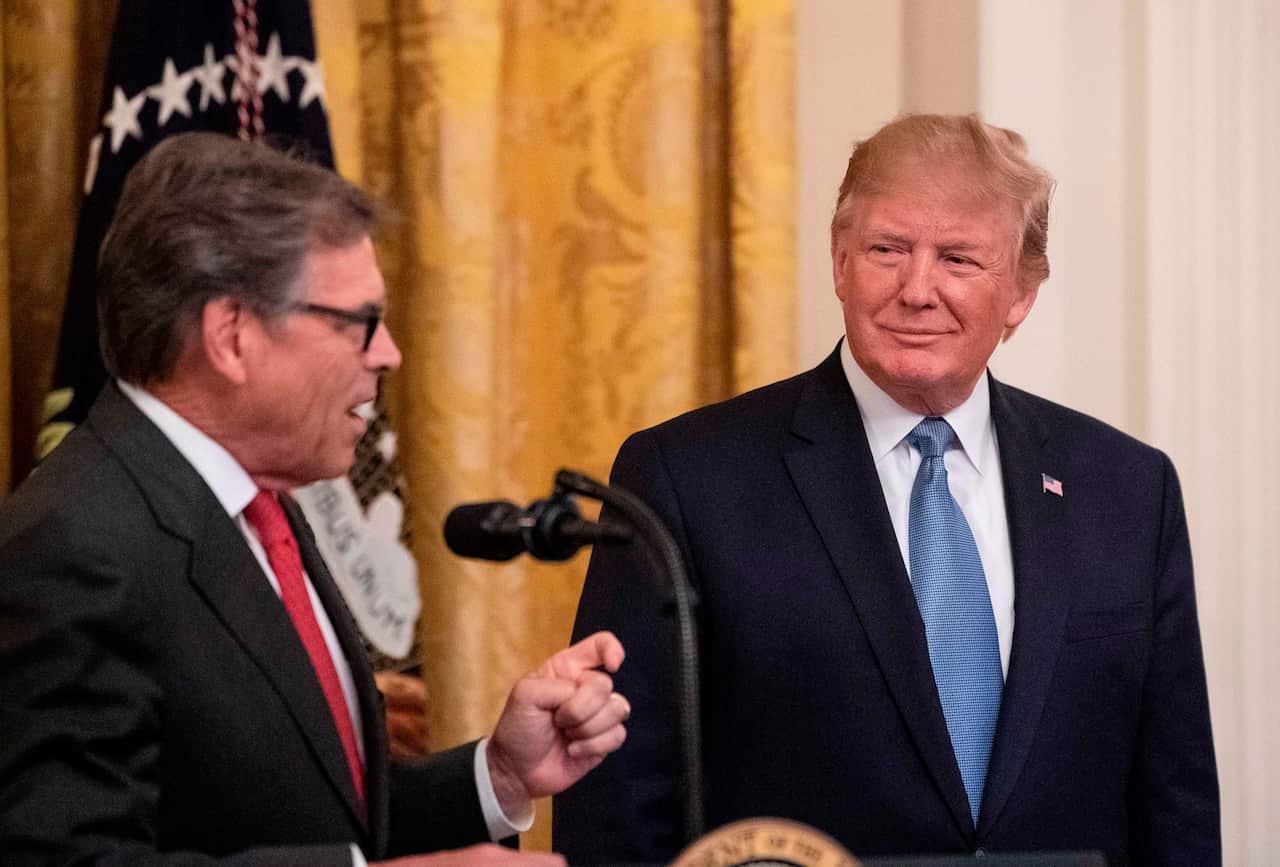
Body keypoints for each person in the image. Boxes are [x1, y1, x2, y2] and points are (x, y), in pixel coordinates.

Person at [553, 114, 1219, 865]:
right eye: (888, 250)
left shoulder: (1128, 488)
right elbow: (616, 794)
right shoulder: (685, 476)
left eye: (959, 259)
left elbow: (1176, 800)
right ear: (840, 261)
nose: (917, 290)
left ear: (1021, 294)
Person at [0, 132, 629, 866]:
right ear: (232, 336)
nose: (388, 353)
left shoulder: (258, 505)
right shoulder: (72, 548)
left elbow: (318, 812)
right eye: (360, 322)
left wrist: (497, 776)